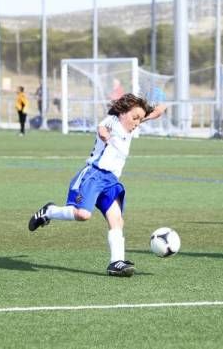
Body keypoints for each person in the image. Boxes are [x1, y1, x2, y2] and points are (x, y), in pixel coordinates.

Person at [28, 94, 166, 277]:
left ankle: (116, 263)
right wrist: (104, 135)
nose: (137, 123)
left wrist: (157, 111)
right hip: (94, 175)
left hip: (111, 181)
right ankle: (49, 211)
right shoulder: (113, 121)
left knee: (116, 220)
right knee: (82, 215)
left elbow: (144, 116)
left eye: (140, 119)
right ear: (122, 113)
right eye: (135, 118)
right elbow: (102, 128)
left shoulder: (131, 124)